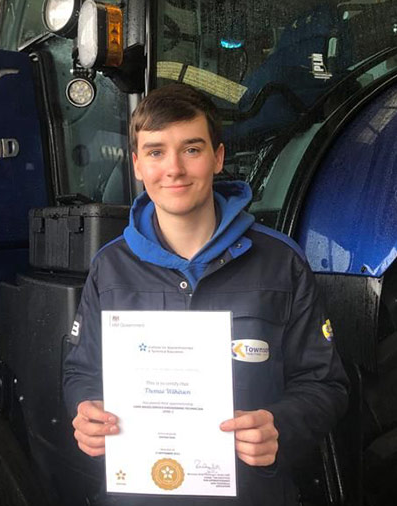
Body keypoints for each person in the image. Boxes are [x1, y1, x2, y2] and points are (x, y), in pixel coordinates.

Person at [62, 83, 349, 505]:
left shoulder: (281, 263)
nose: (174, 168)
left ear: (217, 157)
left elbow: (325, 384)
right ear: (138, 164)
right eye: (156, 152)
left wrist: (281, 426)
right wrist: (86, 409)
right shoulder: (109, 267)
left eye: (191, 150)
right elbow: (81, 371)